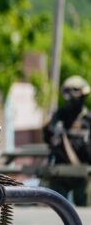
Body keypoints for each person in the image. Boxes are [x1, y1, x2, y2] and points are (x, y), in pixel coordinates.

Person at [43, 75, 91, 205]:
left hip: (84, 175)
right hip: (60, 174)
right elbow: (48, 138)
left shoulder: (88, 120)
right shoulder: (58, 117)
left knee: (86, 216)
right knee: (55, 212)